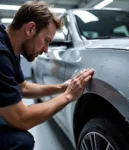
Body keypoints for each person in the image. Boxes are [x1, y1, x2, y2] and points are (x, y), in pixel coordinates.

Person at [0, 1, 95, 150]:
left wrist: (62, 87)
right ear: (30, 29)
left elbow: (22, 87)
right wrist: (68, 96)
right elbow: (21, 118)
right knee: (21, 141)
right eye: (46, 40)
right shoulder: (1, 54)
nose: (45, 50)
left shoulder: (10, 47)